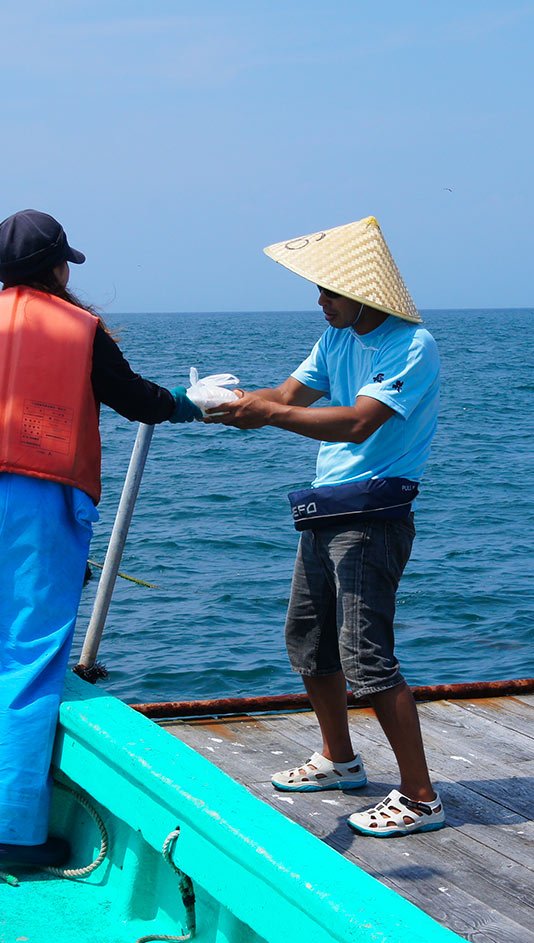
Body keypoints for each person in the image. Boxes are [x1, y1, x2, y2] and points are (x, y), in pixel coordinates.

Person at [0, 209, 201, 867]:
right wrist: (186, 402)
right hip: (37, 500)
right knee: (24, 660)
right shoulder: (81, 330)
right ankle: (6, 835)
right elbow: (137, 399)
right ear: (59, 267)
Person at [207, 216, 444, 837]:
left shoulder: (410, 345)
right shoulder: (334, 340)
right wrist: (221, 406)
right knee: (310, 641)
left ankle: (420, 797)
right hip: (325, 508)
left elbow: (358, 423)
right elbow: (285, 394)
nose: (319, 302)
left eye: (328, 292)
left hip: (372, 516)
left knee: (368, 656)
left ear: (362, 292)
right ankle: (340, 759)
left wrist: (269, 413)